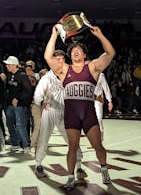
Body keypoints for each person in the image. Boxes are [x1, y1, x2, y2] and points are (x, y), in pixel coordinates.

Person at [44, 25, 115, 190]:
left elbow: (110, 53)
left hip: (88, 114)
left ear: (84, 54)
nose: (75, 51)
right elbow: (48, 56)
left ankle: (104, 169)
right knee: (72, 147)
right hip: (72, 115)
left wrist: (100, 35)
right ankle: (70, 178)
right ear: (70, 55)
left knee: (98, 146)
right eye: (73, 50)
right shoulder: (64, 69)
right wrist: (54, 34)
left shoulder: (92, 67)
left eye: (79, 49)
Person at [33, 50, 86, 179]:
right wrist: (40, 103)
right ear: (53, 60)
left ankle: (79, 167)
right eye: (58, 58)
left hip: (66, 112)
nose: (60, 61)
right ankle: (38, 164)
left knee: (72, 141)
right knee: (43, 139)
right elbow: (38, 94)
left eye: (62, 58)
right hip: (49, 110)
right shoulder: (47, 77)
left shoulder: (70, 75)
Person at [4, 56, 33, 153]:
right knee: (9, 123)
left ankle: (26, 145)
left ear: (13, 65)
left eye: (8, 64)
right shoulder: (10, 75)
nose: (7, 66)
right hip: (10, 105)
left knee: (20, 125)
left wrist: (18, 98)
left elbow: (28, 90)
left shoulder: (22, 75)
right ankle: (15, 143)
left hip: (20, 105)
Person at [94, 73, 113, 141]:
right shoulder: (85, 74)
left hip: (98, 100)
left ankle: (99, 140)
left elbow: (106, 88)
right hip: (89, 101)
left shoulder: (101, 75)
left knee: (98, 119)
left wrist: (109, 101)